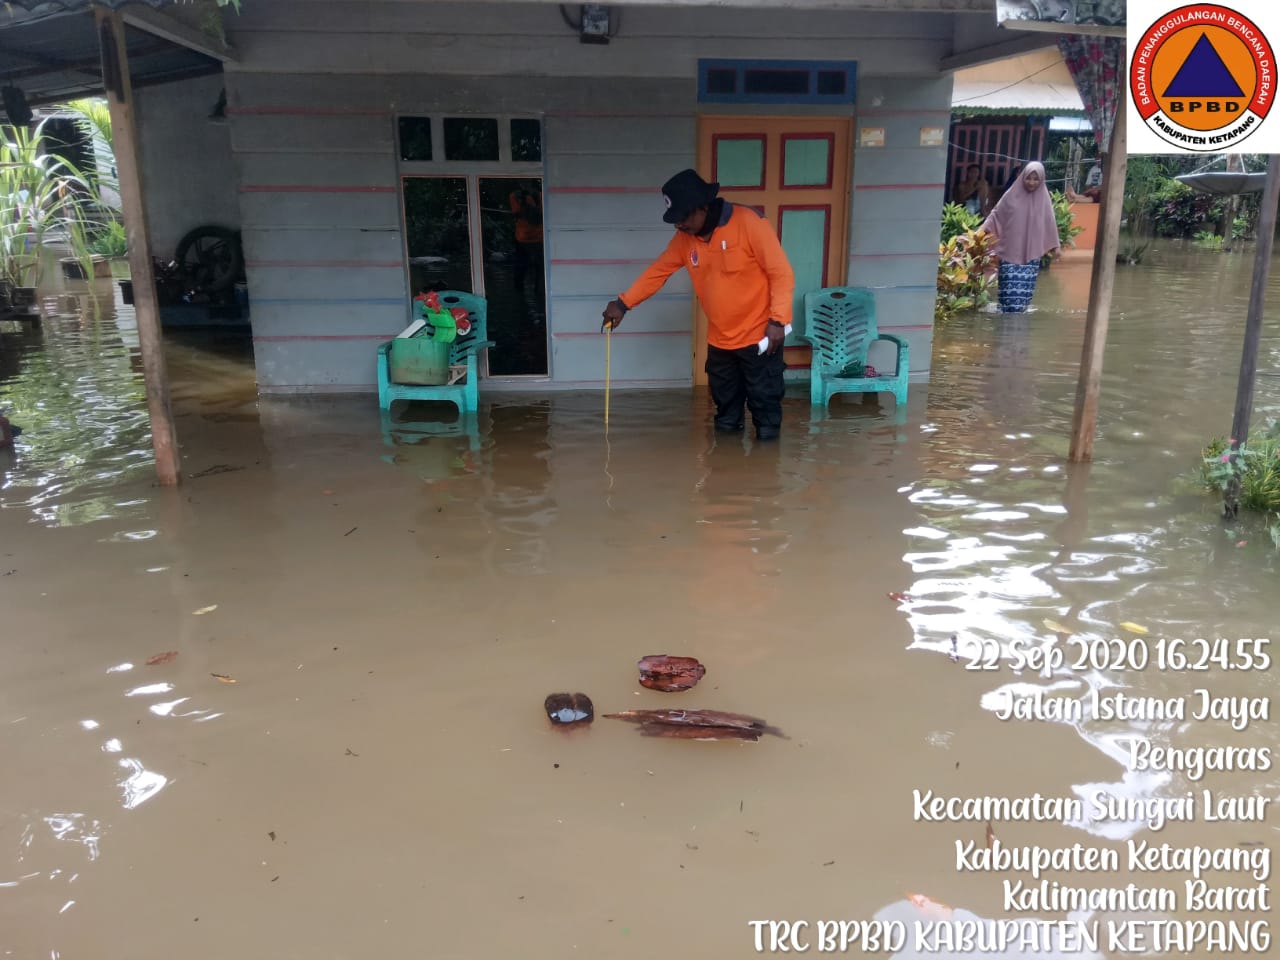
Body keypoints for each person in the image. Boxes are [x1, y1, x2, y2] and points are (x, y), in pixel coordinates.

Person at [601, 169, 795, 440]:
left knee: (766, 418)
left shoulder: (750, 223)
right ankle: (726, 475)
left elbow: (781, 273)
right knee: (726, 419)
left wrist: (778, 320)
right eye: (675, 220)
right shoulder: (684, 240)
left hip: (760, 338)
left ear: (702, 207)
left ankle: (765, 477)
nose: (678, 225)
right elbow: (659, 271)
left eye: (682, 218)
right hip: (720, 342)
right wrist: (623, 304)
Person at [978, 161, 1060, 314]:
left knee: (1022, 300)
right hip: (1009, 252)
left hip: (1031, 256)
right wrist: (980, 232)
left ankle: (1017, 331)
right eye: (1029, 178)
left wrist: (1056, 246)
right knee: (1008, 295)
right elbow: (996, 214)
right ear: (1023, 177)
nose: (1032, 182)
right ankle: (1006, 332)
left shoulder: (1044, 199)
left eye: (1036, 179)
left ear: (1041, 180)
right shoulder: (1011, 195)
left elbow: (1050, 222)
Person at [509, 186, 545, 314]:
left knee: (520, 270)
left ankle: (519, 295)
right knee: (540, 270)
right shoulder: (541, 195)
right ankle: (539, 294)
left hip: (522, 239)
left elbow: (515, 212)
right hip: (539, 239)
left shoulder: (515, 196)